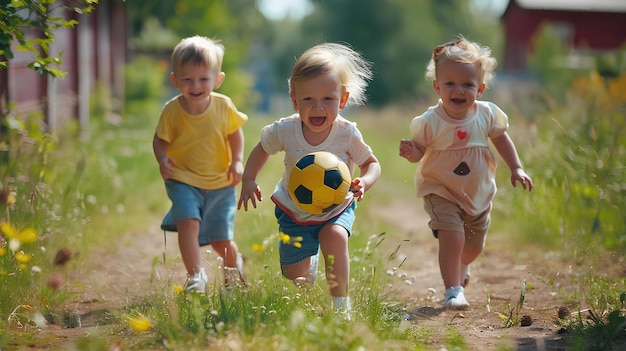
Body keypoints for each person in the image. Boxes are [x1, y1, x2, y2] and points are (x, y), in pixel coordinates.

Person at [238, 43, 381, 317]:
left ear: (342, 99)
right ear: (295, 101)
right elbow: (261, 148)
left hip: (336, 208)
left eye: (327, 99)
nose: (317, 108)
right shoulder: (286, 129)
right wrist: (248, 179)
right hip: (294, 211)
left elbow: (371, 163)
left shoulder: (347, 133)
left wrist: (366, 181)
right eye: (308, 100)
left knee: (336, 237)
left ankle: (341, 306)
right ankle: (308, 264)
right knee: (295, 275)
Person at [399, 37, 533, 309]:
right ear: (437, 87)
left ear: (480, 88)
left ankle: (461, 266)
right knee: (453, 235)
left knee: (472, 248)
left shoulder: (487, 115)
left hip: (478, 192)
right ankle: (453, 290)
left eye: (467, 84)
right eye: (449, 83)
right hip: (441, 190)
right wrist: (410, 152)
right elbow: (419, 152)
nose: (458, 89)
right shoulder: (430, 121)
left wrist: (516, 167)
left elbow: (501, 140)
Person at [153, 35, 248, 293]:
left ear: (217, 79)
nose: (196, 86)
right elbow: (160, 140)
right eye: (188, 80)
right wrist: (163, 159)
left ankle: (233, 270)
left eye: (203, 79)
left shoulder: (223, 105)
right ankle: (196, 276)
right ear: (175, 81)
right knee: (189, 222)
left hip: (220, 182)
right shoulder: (172, 110)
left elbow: (234, 134)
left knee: (221, 240)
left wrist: (237, 161)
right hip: (182, 178)